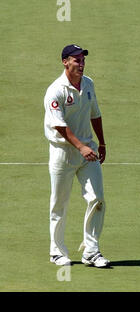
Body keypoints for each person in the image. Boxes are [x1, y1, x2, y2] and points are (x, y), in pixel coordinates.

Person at [44, 44, 110, 267]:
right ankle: (57, 252)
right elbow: (60, 126)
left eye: (83, 60)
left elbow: (96, 114)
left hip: (88, 152)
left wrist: (101, 142)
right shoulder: (56, 90)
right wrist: (80, 146)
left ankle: (91, 251)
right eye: (76, 60)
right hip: (63, 152)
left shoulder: (88, 84)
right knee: (59, 203)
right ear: (65, 62)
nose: (81, 64)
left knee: (97, 199)